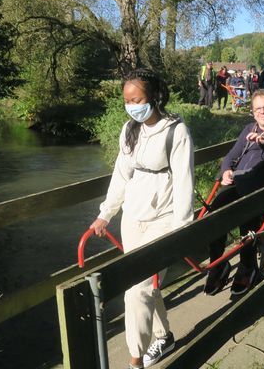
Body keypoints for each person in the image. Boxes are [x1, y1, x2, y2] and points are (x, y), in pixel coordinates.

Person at [89, 69, 194, 369]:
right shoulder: (129, 130)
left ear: (155, 97)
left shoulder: (176, 131)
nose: (132, 106)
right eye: (126, 100)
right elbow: (121, 175)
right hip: (132, 219)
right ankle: (164, 337)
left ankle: (134, 361)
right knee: (145, 286)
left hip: (163, 219)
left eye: (137, 100)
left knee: (137, 291)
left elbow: (185, 182)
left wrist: (182, 230)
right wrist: (105, 213)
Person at [204, 89, 264, 296]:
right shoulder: (249, 128)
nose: (262, 112)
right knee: (215, 212)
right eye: (258, 109)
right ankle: (217, 265)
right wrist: (226, 171)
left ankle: (248, 266)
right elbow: (231, 156)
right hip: (242, 183)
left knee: (247, 213)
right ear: (252, 112)